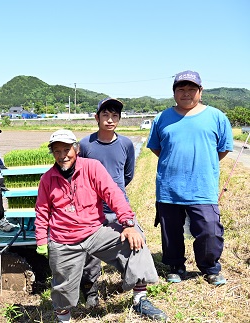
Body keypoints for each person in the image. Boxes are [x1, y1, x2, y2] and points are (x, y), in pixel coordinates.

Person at [35, 129, 167, 322]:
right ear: (52, 153)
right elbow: (42, 211)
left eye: (66, 149)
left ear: (76, 149)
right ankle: (63, 318)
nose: (63, 156)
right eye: (57, 151)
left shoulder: (92, 167)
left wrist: (128, 224)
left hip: (94, 232)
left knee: (135, 240)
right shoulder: (47, 179)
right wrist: (41, 240)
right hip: (64, 239)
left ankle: (140, 299)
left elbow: (113, 194)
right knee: (63, 288)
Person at [147, 70, 233, 285]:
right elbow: (158, 148)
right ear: (174, 92)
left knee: (210, 230)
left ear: (200, 91)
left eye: (191, 89)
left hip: (202, 187)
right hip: (169, 187)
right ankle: (175, 266)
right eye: (181, 89)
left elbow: (222, 150)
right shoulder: (162, 118)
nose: (186, 93)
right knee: (171, 232)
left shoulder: (217, 117)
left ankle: (209, 267)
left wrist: (203, 164)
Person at [77, 97, 136, 308]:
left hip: (120, 207)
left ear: (119, 119)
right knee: (91, 253)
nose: (110, 120)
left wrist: (114, 193)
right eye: (105, 115)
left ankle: (131, 285)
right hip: (93, 210)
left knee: (130, 244)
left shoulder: (126, 144)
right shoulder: (85, 144)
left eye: (115, 116)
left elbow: (127, 175)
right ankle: (91, 291)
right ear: (96, 118)